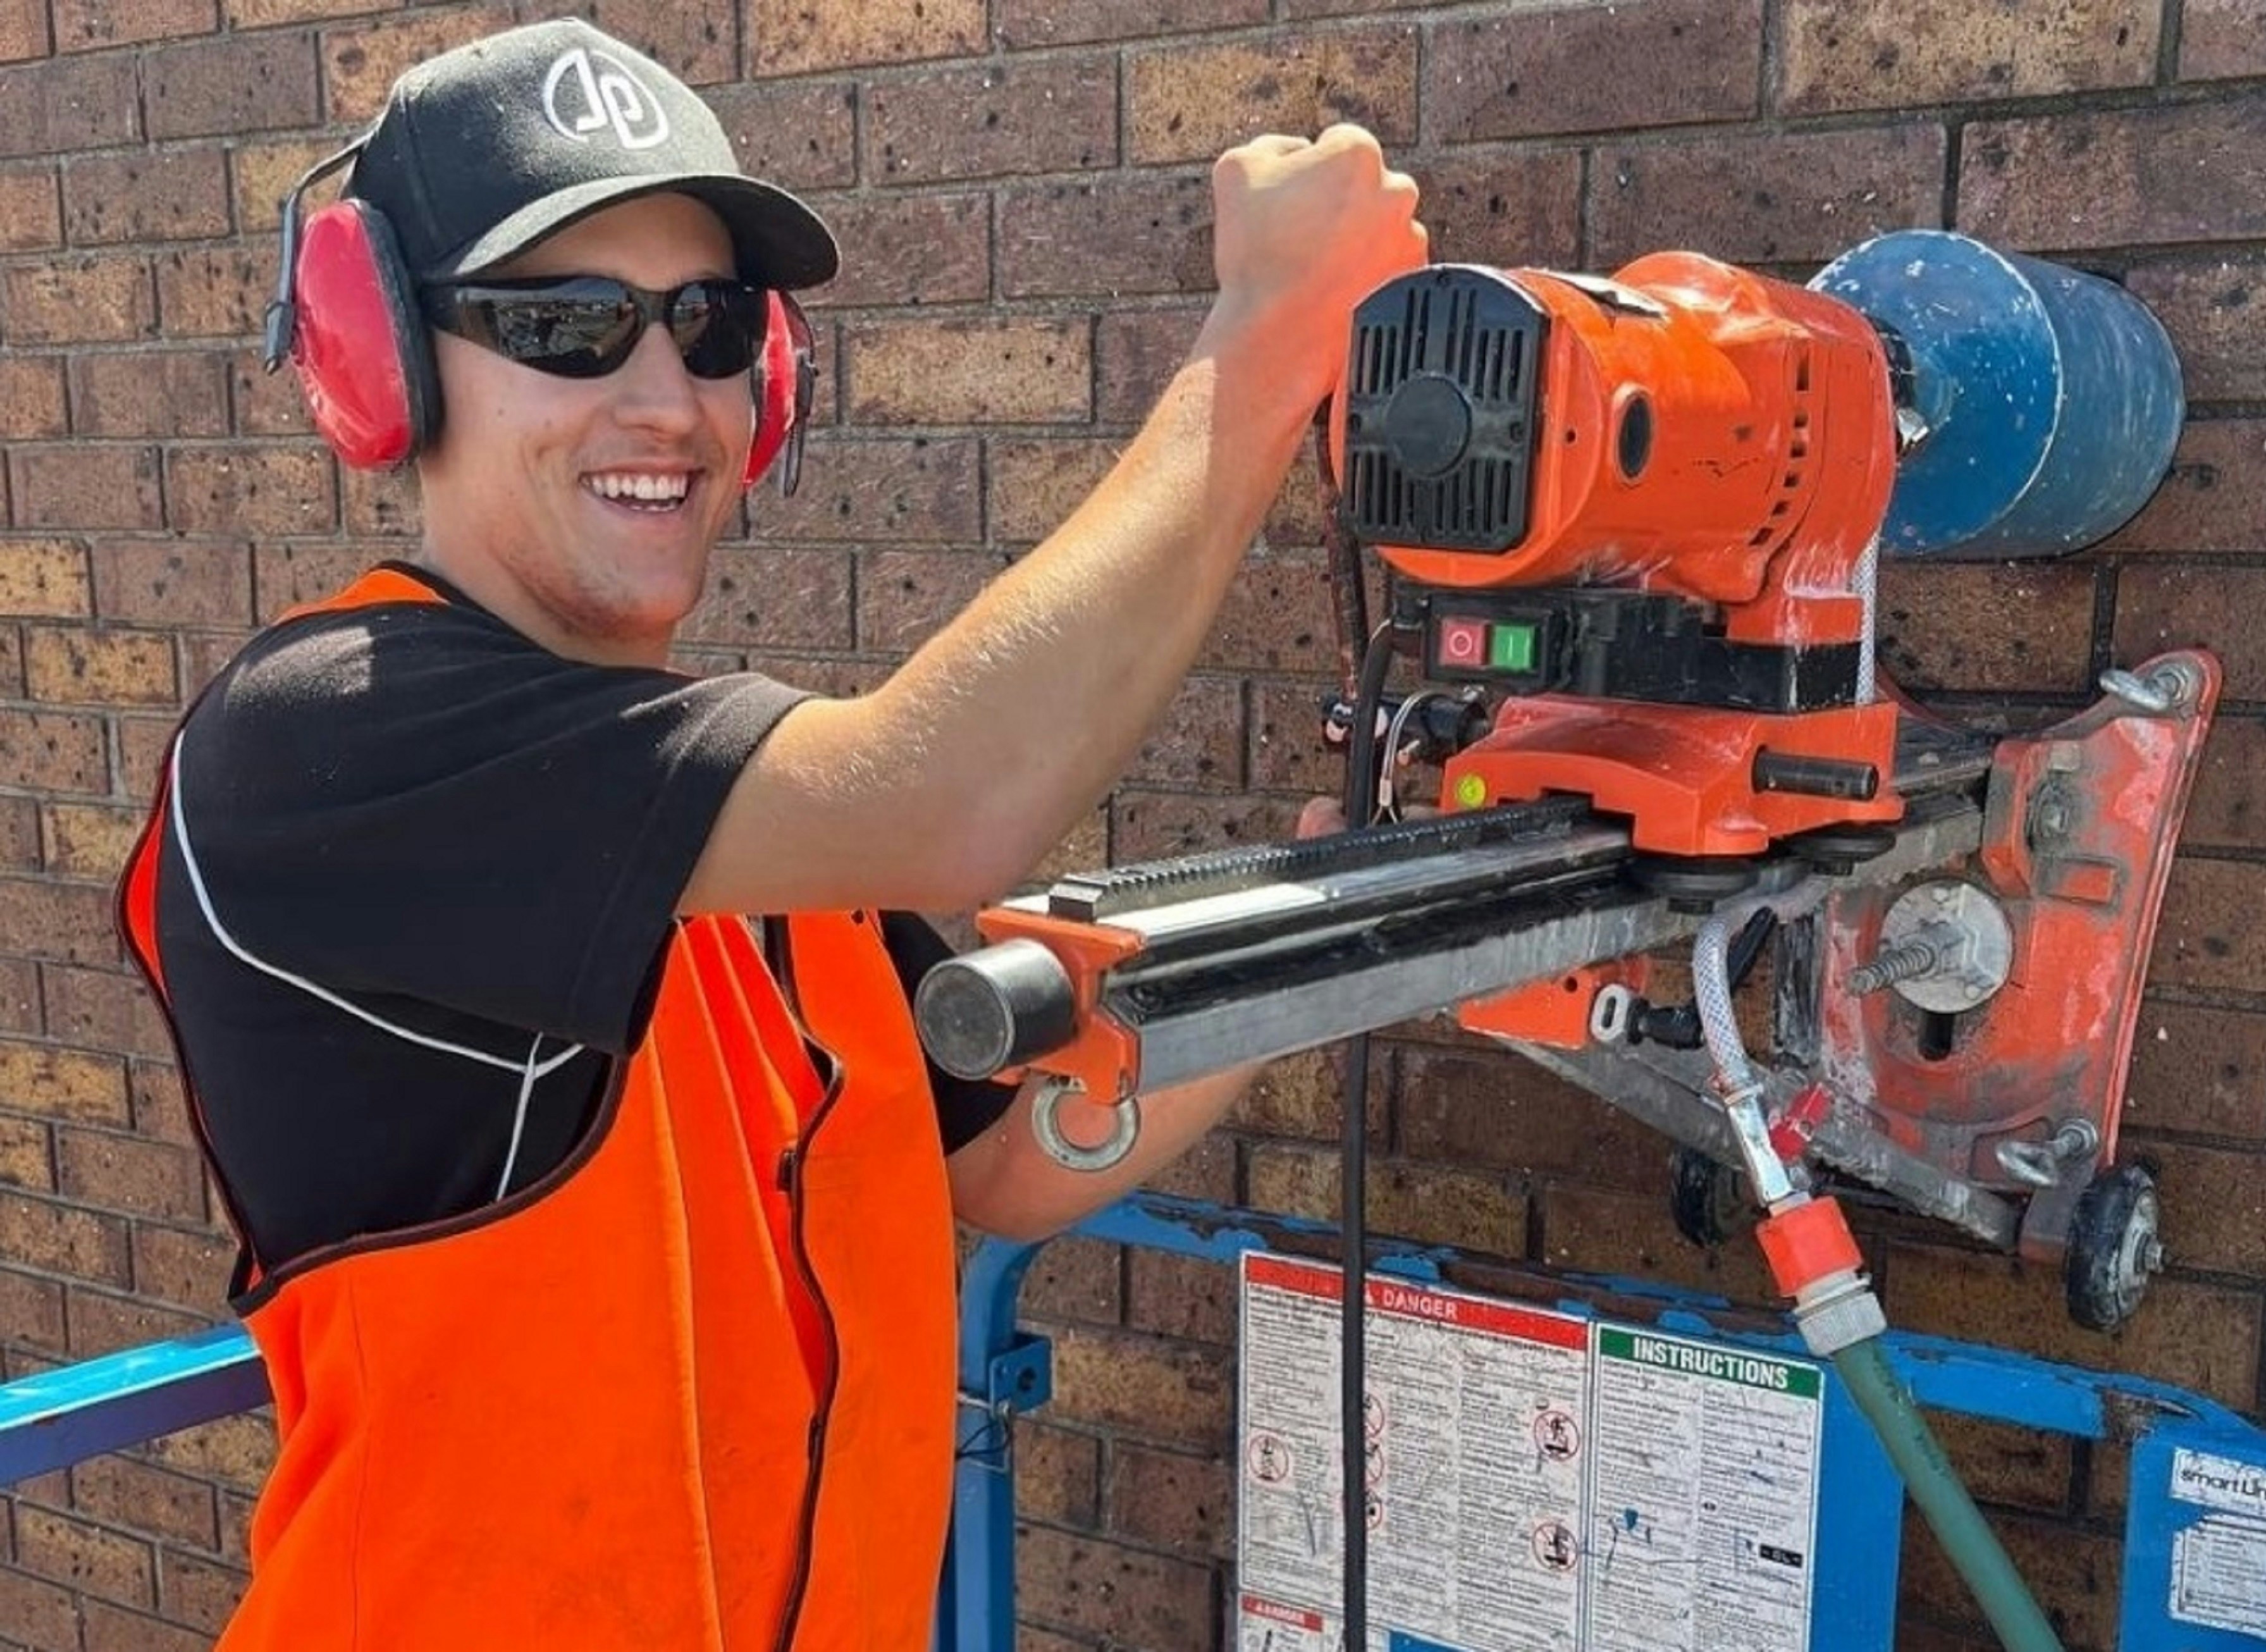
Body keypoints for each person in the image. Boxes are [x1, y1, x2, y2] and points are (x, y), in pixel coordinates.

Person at [114, 16, 1425, 1649]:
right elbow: (955, 799)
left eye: (712, 322)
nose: (666, 397)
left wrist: (1350, 918)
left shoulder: (760, 826)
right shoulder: (318, 740)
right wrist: (1269, 334)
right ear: (387, 360)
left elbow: (1011, 1159)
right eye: (563, 324)